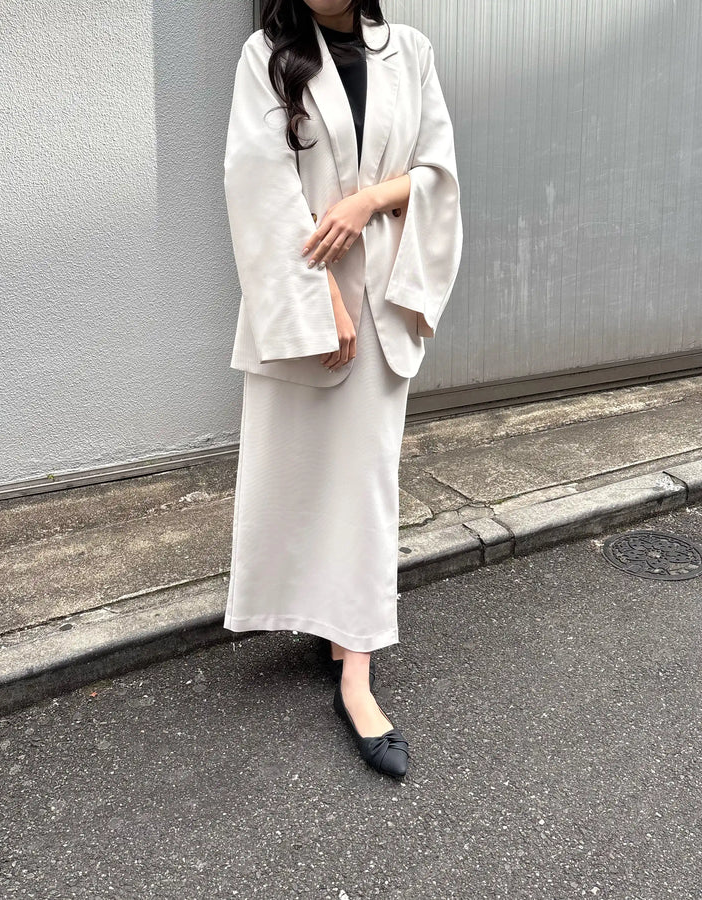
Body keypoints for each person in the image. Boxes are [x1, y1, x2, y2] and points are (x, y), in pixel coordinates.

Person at [222, 0, 463, 779]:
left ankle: (354, 673)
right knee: (298, 475)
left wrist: (366, 202)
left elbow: (437, 173)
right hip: (307, 301)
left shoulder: (410, 51)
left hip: (383, 302)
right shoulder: (266, 56)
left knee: (365, 489)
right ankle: (324, 622)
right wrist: (317, 293)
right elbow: (257, 185)